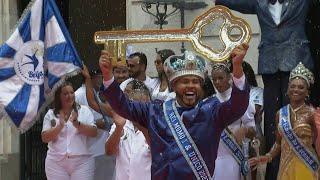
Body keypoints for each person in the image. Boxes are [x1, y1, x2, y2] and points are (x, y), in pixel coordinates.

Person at [99, 43, 250, 179]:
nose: (191, 86)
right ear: (174, 86)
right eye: (185, 81)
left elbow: (237, 106)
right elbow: (123, 105)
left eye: (196, 82)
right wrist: (107, 76)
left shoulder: (211, 112)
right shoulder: (155, 112)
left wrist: (237, 69)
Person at [214, 1, 314, 179]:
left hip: (296, 59)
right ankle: (273, 171)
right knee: (272, 121)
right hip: (269, 63)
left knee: (297, 116)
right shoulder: (259, 2)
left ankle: (302, 165)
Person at [250, 62, 319, 180]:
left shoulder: (312, 114)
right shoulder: (280, 113)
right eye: (292, 86)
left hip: (306, 166)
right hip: (285, 168)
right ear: (287, 89)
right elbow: (278, 143)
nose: (296, 89)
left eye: (301, 87)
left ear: (307, 92)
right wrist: (267, 156)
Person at [41, 82, 97, 180]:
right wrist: (60, 126)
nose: (70, 96)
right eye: (65, 94)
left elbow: (93, 132)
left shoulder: (84, 111)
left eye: (71, 92)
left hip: (82, 162)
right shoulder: (50, 114)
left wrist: (77, 124)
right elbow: (45, 138)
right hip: (56, 163)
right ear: (59, 96)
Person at [211, 61, 256, 180]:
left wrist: (245, 130)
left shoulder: (240, 99)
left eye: (220, 78)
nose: (217, 82)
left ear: (230, 77)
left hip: (234, 155)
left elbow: (253, 129)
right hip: (214, 157)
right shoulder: (210, 102)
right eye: (214, 79)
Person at [106, 79, 152, 180]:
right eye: (135, 103)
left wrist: (142, 126)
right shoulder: (121, 122)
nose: (139, 108)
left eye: (143, 103)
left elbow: (159, 153)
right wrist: (118, 128)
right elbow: (109, 151)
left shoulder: (156, 123)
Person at [75, 68, 115, 180]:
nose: (101, 80)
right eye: (99, 77)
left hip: (101, 146)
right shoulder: (80, 94)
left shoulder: (95, 93)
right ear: (92, 78)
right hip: (91, 148)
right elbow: (83, 122)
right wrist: (106, 123)